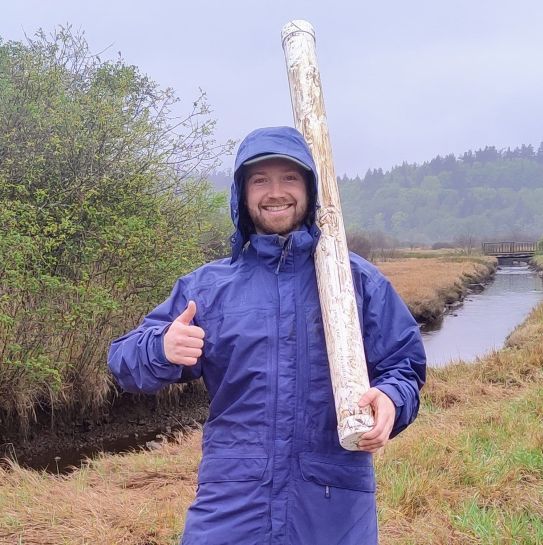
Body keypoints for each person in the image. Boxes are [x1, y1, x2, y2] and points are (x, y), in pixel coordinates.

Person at [108, 126, 426, 545]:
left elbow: (404, 365)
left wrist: (391, 399)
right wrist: (161, 347)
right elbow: (122, 361)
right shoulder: (208, 288)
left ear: (310, 189)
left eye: (289, 178)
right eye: (260, 180)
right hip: (233, 496)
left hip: (333, 498)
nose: (275, 191)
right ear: (242, 193)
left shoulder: (353, 282)